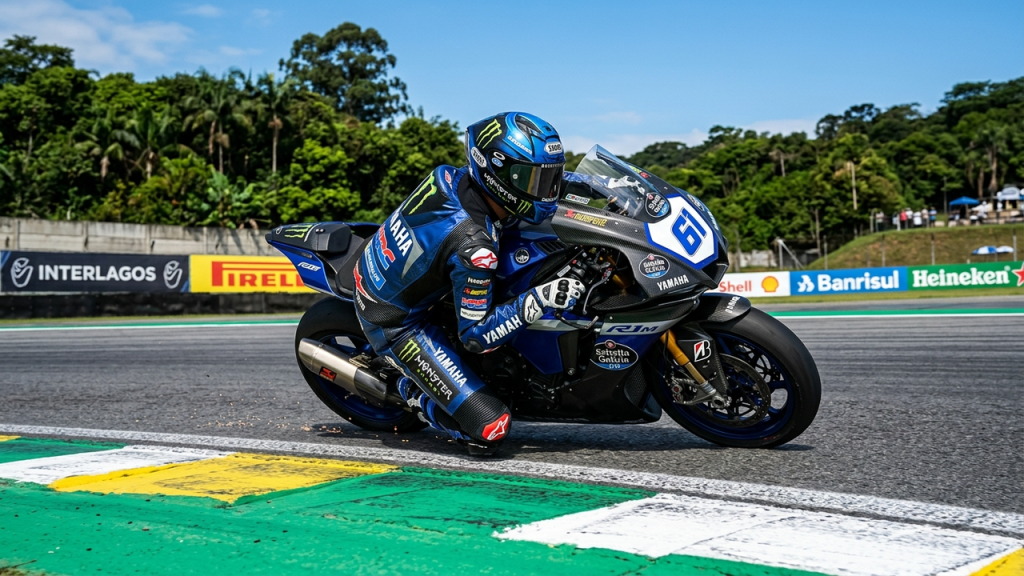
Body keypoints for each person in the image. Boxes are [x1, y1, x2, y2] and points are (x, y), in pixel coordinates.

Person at [352, 112, 585, 456]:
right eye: (536, 180)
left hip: (397, 271)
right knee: (490, 429)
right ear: (497, 176)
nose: (547, 190)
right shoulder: (475, 248)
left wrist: (603, 188)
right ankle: (407, 391)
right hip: (396, 323)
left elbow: (535, 189)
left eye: (551, 177)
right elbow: (475, 337)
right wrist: (541, 299)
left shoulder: (450, 175)